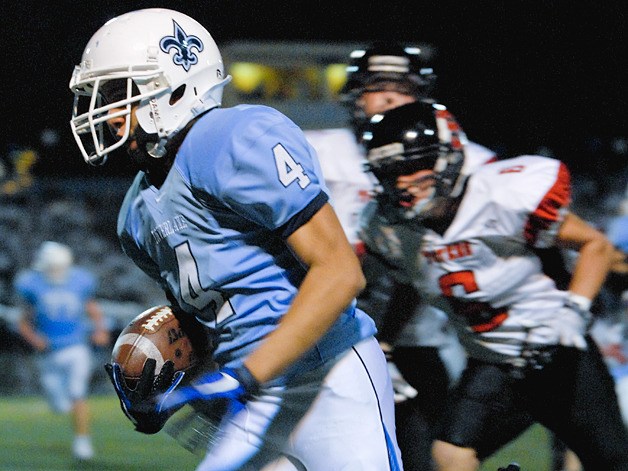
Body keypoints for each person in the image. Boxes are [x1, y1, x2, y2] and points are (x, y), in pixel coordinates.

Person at [68, 8, 401, 471]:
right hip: (249, 394)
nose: (106, 114)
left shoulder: (231, 139)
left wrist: (247, 373)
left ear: (173, 86)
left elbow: (341, 272)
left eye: (117, 94)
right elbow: (203, 324)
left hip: (328, 375)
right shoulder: (135, 215)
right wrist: (166, 384)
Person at [361, 100, 628, 471]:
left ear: (450, 156)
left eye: (412, 165)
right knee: (450, 454)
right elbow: (410, 284)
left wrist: (575, 310)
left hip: (557, 349)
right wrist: (385, 345)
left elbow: (595, 246)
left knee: (610, 461)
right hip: (491, 359)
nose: (402, 181)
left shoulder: (501, 195)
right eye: (389, 170)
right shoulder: (388, 229)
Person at [306, 42, 495, 470]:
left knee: (424, 457)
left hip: (417, 343)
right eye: (377, 87)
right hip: (326, 338)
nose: (390, 97)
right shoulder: (315, 151)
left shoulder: (468, 159)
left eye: (403, 88)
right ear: (355, 95)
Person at [13, 241, 110, 461]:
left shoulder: (79, 281)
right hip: (48, 354)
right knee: (58, 404)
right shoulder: (32, 285)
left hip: (77, 347)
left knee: (78, 393)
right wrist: (34, 339)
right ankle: (67, 413)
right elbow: (24, 321)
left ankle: (82, 441)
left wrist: (100, 329)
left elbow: (91, 307)